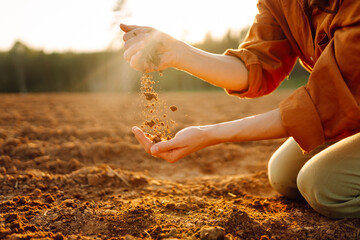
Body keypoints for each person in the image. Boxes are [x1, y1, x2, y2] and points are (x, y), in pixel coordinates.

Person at [120, 0, 360, 218]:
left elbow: (325, 103)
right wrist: (178, 53)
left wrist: (209, 134)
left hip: (347, 102)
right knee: (284, 174)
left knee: (324, 186)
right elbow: (256, 64)